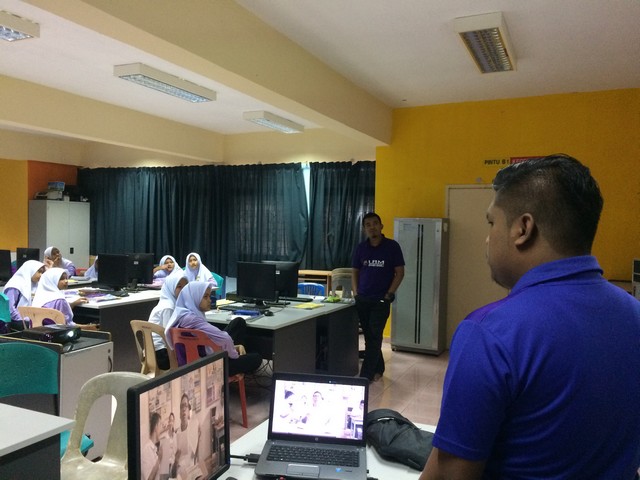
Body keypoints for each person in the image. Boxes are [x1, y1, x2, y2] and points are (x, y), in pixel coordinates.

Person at [420, 155, 640, 480]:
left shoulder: (491, 333)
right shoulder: (634, 314)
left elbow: (451, 475)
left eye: (491, 223)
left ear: (523, 229)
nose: (487, 238)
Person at [165, 281, 262, 376]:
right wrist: (234, 356)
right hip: (209, 366)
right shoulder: (192, 319)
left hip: (192, 362)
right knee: (256, 358)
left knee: (238, 322)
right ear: (194, 297)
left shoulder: (181, 314)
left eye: (209, 296)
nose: (210, 300)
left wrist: (232, 347)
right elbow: (225, 339)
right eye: (205, 297)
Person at [351, 212, 405, 382]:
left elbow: (400, 272)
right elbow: (355, 271)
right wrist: (356, 293)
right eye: (368, 225)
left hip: (381, 300)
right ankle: (379, 368)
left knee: (374, 336)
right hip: (363, 299)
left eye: (375, 223)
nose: (372, 227)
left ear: (381, 226)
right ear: (364, 229)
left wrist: (389, 294)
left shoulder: (392, 247)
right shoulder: (361, 248)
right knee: (370, 337)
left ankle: (365, 376)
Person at [148, 271, 188, 370]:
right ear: (171, 288)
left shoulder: (169, 302)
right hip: (161, 354)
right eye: (179, 287)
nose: (183, 290)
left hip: (157, 350)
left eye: (186, 286)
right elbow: (170, 335)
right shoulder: (169, 307)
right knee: (194, 353)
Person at [3, 259, 46, 330]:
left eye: (42, 272)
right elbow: (10, 310)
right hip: (16, 320)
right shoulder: (15, 285)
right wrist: (25, 320)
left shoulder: (36, 284)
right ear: (30, 270)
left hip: (31, 319)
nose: (41, 275)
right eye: (39, 272)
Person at [141, 411, 163, 480]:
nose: (161, 429)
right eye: (160, 425)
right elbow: (149, 478)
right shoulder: (146, 450)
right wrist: (159, 460)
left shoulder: (155, 449)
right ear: (156, 427)